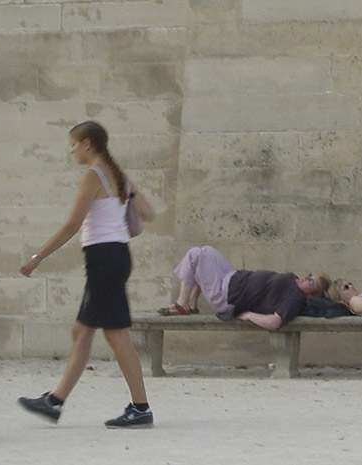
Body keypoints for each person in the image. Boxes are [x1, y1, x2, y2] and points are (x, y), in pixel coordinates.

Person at [18, 121, 157, 428]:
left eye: (73, 144)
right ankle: (54, 402)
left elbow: (72, 225)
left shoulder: (93, 175)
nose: (71, 150)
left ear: (87, 144)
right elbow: (148, 214)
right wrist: (126, 197)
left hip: (104, 260)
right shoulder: (120, 177)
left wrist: (37, 257)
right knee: (82, 332)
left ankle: (141, 407)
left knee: (116, 335)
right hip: (114, 257)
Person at [161, 246, 329, 330]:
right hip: (231, 277)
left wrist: (249, 315)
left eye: (311, 282)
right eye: (309, 275)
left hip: (225, 296)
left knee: (195, 254)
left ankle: (182, 303)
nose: (306, 277)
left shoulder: (294, 298)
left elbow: (275, 322)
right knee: (207, 251)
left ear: (311, 295)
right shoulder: (293, 282)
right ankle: (191, 305)